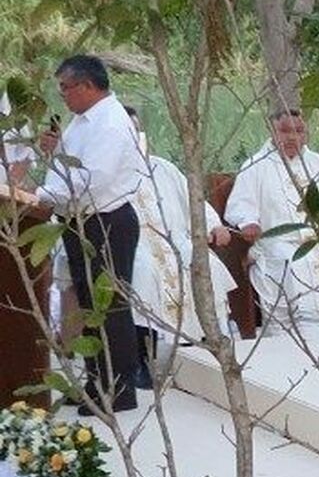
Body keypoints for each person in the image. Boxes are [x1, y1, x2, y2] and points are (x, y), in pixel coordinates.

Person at [26, 55, 145, 413]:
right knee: (91, 306)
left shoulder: (110, 123)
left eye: (66, 87)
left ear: (88, 85)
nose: (62, 95)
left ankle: (119, 388)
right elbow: (67, 169)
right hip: (80, 221)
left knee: (110, 307)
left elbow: (93, 179)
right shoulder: (82, 122)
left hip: (106, 221)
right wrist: (53, 151)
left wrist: (40, 197)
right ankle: (97, 380)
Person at [124, 106, 233, 376]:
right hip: (134, 247)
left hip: (174, 242)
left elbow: (193, 201)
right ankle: (141, 359)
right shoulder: (105, 171)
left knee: (209, 265)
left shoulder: (165, 168)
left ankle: (209, 342)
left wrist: (215, 225)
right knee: (144, 273)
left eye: (136, 131)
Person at [219, 109, 319, 328]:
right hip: (275, 241)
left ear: (306, 134)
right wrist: (249, 223)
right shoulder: (256, 166)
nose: (292, 137)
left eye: (299, 131)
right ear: (272, 132)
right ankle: (291, 332)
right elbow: (241, 205)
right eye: (285, 131)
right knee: (294, 261)